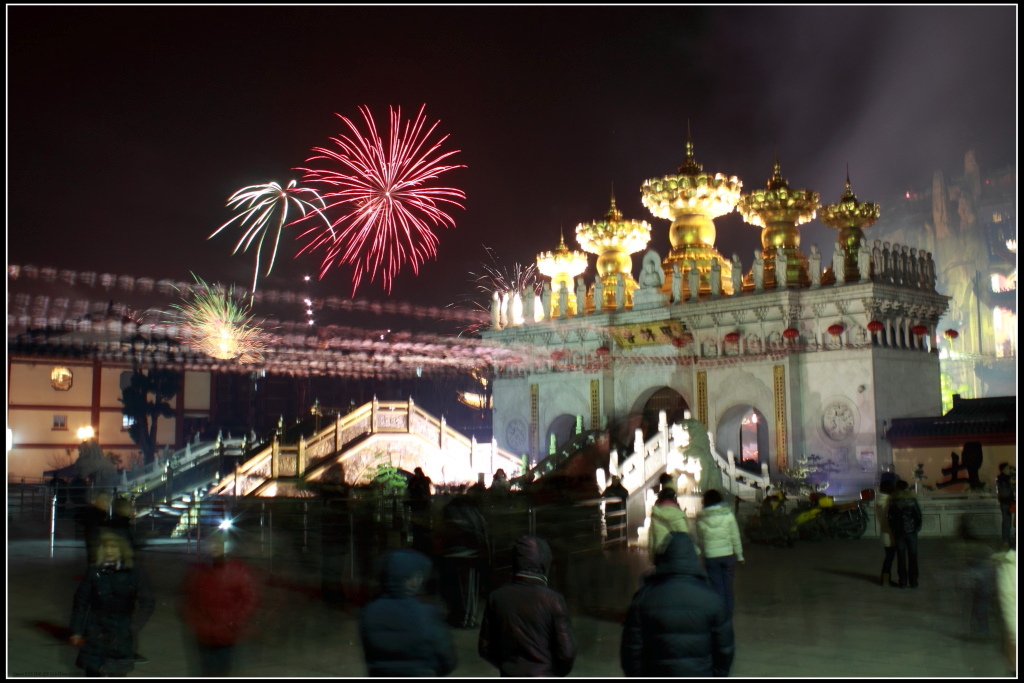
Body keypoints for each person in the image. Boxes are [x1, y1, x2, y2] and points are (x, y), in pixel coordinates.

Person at [621, 531, 734, 677]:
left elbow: (631, 650)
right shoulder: (713, 599)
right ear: (694, 559)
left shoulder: (644, 598)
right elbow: (724, 649)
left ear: (664, 559)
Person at [478, 534, 576, 677]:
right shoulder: (554, 600)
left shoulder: (497, 597)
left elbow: (485, 648)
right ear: (544, 562)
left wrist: (509, 666)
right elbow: (567, 653)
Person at [69, 529, 155, 677]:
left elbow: (147, 602)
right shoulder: (94, 571)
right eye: (106, 547)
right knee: (93, 671)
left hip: (121, 634)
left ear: (122, 549)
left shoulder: (134, 571)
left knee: (117, 672)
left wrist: (133, 627)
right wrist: (76, 630)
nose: (109, 550)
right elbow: (80, 602)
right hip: (95, 632)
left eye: (113, 547)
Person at [360, 549, 457, 677]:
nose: (416, 582)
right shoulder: (427, 614)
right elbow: (448, 660)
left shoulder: (369, 611)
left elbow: (370, 656)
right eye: (411, 577)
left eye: (419, 577)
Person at [181, 535, 260, 677]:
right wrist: (194, 621)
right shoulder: (201, 570)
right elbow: (190, 597)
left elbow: (250, 599)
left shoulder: (239, 570)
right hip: (204, 633)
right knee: (205, 670)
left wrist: (233, 622)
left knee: (221, 670)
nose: (214, 546)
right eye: (212, 543)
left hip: (226, 634)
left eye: (219, 543)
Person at [695, 489, 744, 616]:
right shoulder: (728, 514)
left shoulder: (701, 518)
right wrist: (739, 555)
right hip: (728, 556)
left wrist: (700, 553)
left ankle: (720, 615)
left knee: (717, 588)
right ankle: (728, 615)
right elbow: (735, 536)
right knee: (728, 588)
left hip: (711, 557)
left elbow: (700, 539)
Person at [887, 479, 923, 588]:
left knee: (901, 557)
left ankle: (902, 581)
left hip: (899, 532)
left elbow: (890, 517)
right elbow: (918, 516)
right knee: (913, 556)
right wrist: (916, 528)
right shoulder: (912, 499)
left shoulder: (893, 500)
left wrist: (894, 529)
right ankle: (914, 581)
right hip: (911, 532)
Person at [649, 485, 690, 562]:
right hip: (677, 553)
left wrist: (652, 557)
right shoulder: (678, 515)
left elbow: (652, 536)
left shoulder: (656, 514)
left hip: (660, 553)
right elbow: (686, 536)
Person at [875, 479, 897, 586]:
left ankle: (885, 579)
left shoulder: (879, 500)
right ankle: (886, 580)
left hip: (884, 532)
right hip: (891, 533)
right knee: (889, 558)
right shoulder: (889, 501)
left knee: (888, 557)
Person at [995, 462, 1015, 548]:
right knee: (1007, 522)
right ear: (1003, 470)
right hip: (1006, 503)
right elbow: (1006, 491)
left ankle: (1006, 540)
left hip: (1007, 502)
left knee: (1008, 522)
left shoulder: (1004, 478)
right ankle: (1006, 541)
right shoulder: (1003, 478)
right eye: (1007, 468)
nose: (1009, 470)